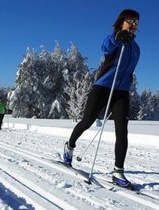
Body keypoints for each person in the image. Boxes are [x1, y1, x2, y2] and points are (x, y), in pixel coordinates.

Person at [63, 9, 140, 188]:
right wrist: (118, 37)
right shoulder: (113, 39)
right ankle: (69, 146)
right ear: (122, 22)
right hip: (103, 86)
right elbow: (105, 48)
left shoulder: (136, 48)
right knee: (87, 121)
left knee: (122, 131)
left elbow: (130, 70)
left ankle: (118, 171)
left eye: (136, 22)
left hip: (121, 92)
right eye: (130, 20)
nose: (134, 24)